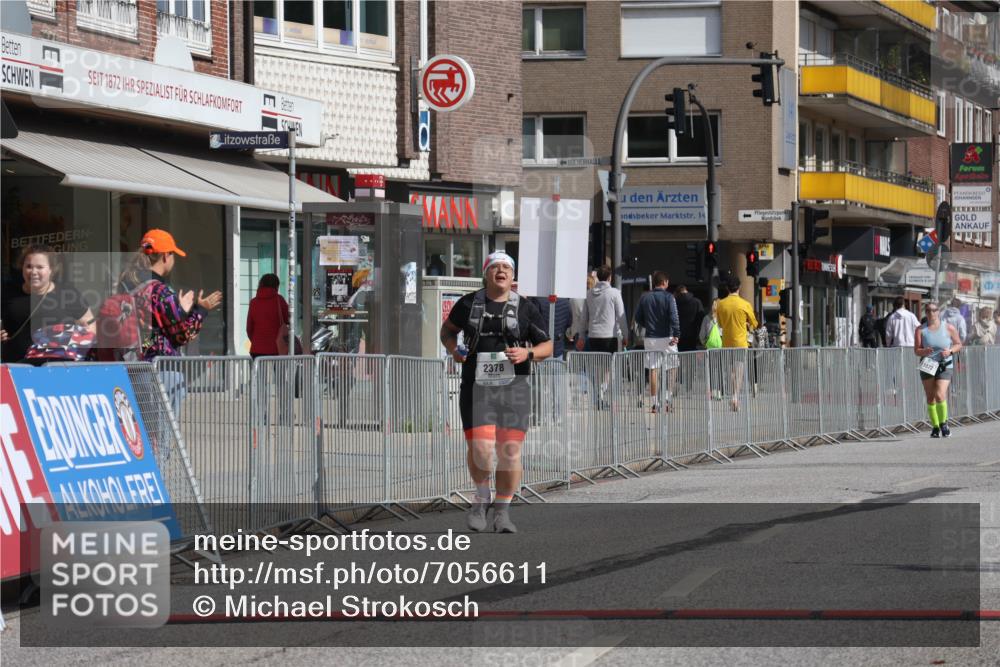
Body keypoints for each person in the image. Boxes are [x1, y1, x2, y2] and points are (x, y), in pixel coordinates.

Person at [440, 251, 552, 534]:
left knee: (510, 452)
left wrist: (527, 353)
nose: (501, 271)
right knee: (480, 449)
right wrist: (454, 350)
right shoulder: (468, 304)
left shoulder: (526, 308)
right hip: (476, 389)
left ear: (512, 276)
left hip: (514, 390)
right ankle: (481, 498)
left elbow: (547, 347)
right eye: (495, 267)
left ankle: (502, 511)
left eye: (506, 268)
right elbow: (447, 331)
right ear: (486, 272)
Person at [116, 230, 222, 450]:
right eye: (173, 254)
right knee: (160, 437)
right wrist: (201, 310)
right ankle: (159, 471)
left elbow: (153, 326)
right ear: (165, 256)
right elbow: (183, 334)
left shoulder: (129, 286)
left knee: (141, 435)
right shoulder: (160, 291)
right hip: (161, 370)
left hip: (134, 366)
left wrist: (181, 310)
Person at [1, 245, 94, 365]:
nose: (33, 272)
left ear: (51, 270)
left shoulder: (68, 294)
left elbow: (90, 327)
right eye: (28, 266)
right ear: (22, 268)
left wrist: (80, 344)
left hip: (59, 367)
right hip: (16, 367)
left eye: (40, 267)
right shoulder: (7, 293)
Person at [915, 303, 963, 438]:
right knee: (930, 397)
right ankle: (935, 427)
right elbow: (916, 350)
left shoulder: (948, 327)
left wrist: (950, 351)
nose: (931, 313)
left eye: (934, 310)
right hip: (928, 364)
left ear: (938, 312)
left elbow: (958, 344)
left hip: (944, 364)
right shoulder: (920, 329)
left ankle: (944, 424)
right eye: (928, 310)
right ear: (926, 312)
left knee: (940, 394)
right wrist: (924, 351)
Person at [633, 271, 680, 413]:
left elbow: (637, 317)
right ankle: (666, 399)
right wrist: (676, 334)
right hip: (667, 336)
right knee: (672, 367)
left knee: (653, 369)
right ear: (664, 282)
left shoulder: (645, 297)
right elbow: (674, 317)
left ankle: (654, 403)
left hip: (651, 337)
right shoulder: (669, 297)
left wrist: (648, 324)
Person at [716, 274, 758, 411]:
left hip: (726, 342)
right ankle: (735, 397)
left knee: (730, 371)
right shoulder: (745, 304)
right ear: (739, 287)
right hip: (741, 343)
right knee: (739, 371)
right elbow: (755, 323)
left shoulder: (721, 304)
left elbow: (720, 324)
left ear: (727, 288)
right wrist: (746, 323)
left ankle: (732, 396)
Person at [576, 265, 628, 353]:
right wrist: (625, 336)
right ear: (609, 277)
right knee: (609, 361)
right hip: (610, 336)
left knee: (596, 361)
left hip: (593, 336)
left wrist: (581, 337)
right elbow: (621, 316)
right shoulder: (615, 293)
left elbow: (583, 318)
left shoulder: (589, 294)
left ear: (598, 277)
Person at [246, 273, 290, 358]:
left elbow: (249, 328)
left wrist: (256, 341)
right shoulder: (279, 300)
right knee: (278, 367)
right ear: (276, 286)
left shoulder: (253, 302)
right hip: (276, 348)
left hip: (257, 349)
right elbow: (288, 319)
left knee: (258, 367)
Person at [699, 298, 724, 400]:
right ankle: (718, 392)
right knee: (720, 370)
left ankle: (713, 392)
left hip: (711, 348)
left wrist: (705, 343)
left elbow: (702, 335)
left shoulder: (707, 318)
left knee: (711, 370)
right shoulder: (722, 318)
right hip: (721, 348)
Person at [567, 274, 596, 351]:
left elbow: (571, 319)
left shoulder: (573, 299)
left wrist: (570, 333)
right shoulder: (595, 299)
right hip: (593, 334)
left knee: (578, 357)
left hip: (578, 334)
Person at [674, 284, 705, 354]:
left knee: (679, 356)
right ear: (686, 291)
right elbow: (701, 320)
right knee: (692, 357)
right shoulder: (697, 302)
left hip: (678, 336)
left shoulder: (674, 303)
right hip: (693, 336)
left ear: (677, 293)